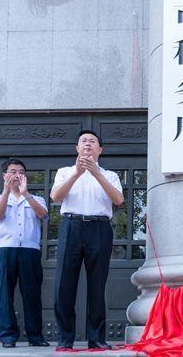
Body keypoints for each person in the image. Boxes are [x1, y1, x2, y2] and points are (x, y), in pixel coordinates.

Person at [51, 130, 124, 351]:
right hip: (71, 226)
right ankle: (65, 339)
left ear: (100, 150)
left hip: (100, 228)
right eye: (84, 141)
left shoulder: (110, 175)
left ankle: (97, 339)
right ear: (77, 148)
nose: (88, 144)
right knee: (64, 285)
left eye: (93, 141)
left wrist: (95, 173)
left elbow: (118, 199)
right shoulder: (65, 172)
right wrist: (78, 172)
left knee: (96, 285)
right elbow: (55, 197)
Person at [0, 158, 49, 348]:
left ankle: (35, 336)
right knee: (4, 294)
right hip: (5, 250)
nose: (17, 175)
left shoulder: (36, 198)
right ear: (4, 175)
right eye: (13, 171)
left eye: (21, 172)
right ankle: (8, 336)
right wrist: (7, 191)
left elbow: (42, 215)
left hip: (29, 251)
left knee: (32, 294)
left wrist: (26, 194)